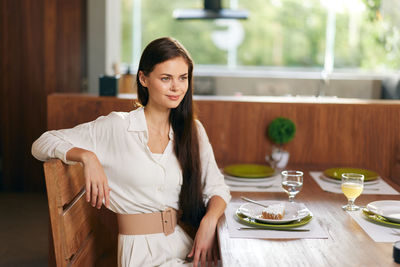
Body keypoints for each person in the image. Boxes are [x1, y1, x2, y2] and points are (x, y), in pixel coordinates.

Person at [32, 37, 231, 267]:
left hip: (182, 245)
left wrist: (209, 220)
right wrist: (87, 157)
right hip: (142, 255)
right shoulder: (117, 127)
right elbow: (42, 143)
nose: (176, 87)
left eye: (183, 78)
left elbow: (217, 187)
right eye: (166, 78)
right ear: (143, 78)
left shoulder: (192, 130)